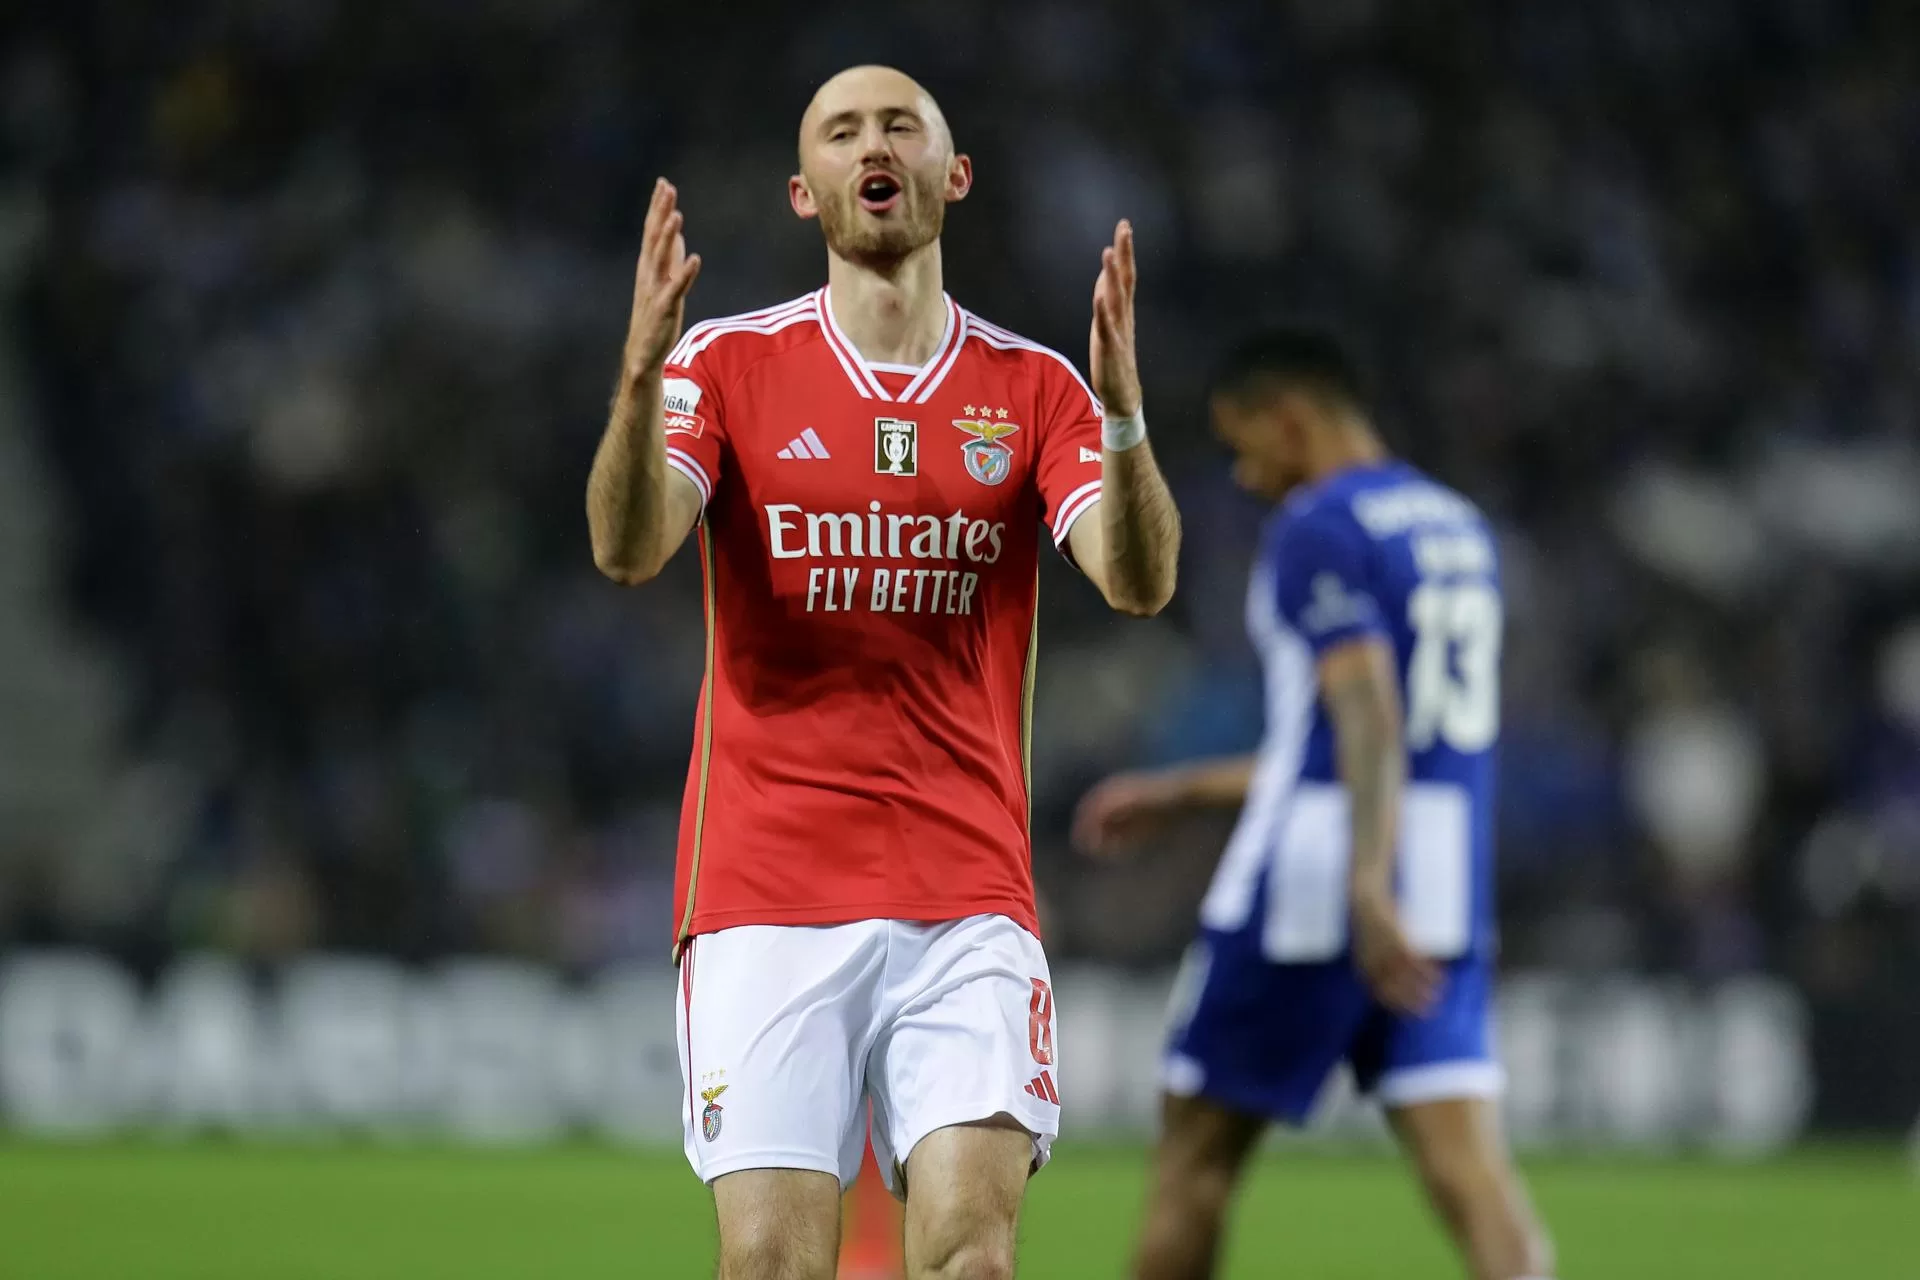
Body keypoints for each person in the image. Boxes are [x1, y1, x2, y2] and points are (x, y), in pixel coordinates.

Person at [586, 64, 1181, 1280]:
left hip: (964, 887)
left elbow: (1135, 577)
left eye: (901, 126)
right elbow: (628, 545)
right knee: (773, 1266)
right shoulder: (727, 366)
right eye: (842, 130)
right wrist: (639, 382)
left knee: (972, 1257)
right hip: (765, 884)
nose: (875, 144)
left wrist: (1123, 418)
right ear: (805, 191)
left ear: (950, 176)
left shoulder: (1032, 388)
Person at [1073, 328, 1553, 1280]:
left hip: (1318, 885)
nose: (1246, 477)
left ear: (1291, 419)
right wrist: (1186, 792)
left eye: (1245, 444)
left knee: (1195, 1162)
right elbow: (1375, 744)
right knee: (1472, 1175)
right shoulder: (1459, 528)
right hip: (1443, 884)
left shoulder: (1320, 527)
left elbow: (1365, 711)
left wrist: (1365, 886)